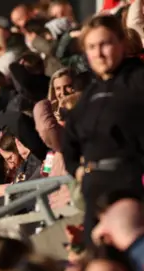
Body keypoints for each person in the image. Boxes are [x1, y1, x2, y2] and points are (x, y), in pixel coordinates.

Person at [62, 15, 144, 239]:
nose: (98, 53)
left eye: (105, 44)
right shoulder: (90, 93)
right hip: (93, 189)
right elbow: (69, 139)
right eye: (91, 47)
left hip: (127, 185)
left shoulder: (137, 79)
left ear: (122, 43)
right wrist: (77, 170)